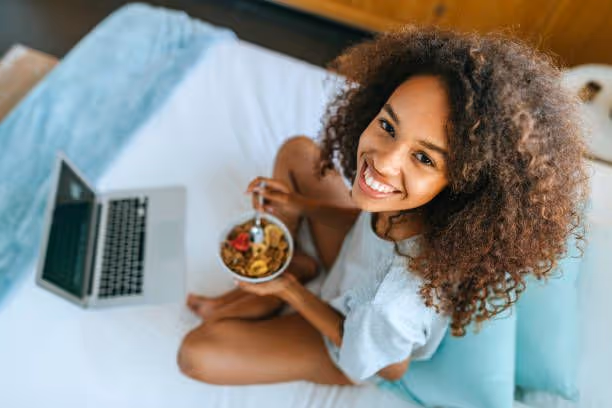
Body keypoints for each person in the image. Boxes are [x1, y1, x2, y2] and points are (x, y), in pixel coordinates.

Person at [177, 26, 589, 386]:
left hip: (353, 341)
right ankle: (296, 264)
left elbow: (388, 368)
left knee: (196, 355)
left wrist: (290, 290)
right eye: (388, 126)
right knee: (299, 154)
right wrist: (301, 205)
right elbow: (365, 227)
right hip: (350, 272)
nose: (383, 162)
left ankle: (286, 277)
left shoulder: (393, 303)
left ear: (461, 185)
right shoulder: (404, 205)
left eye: (425, 158)